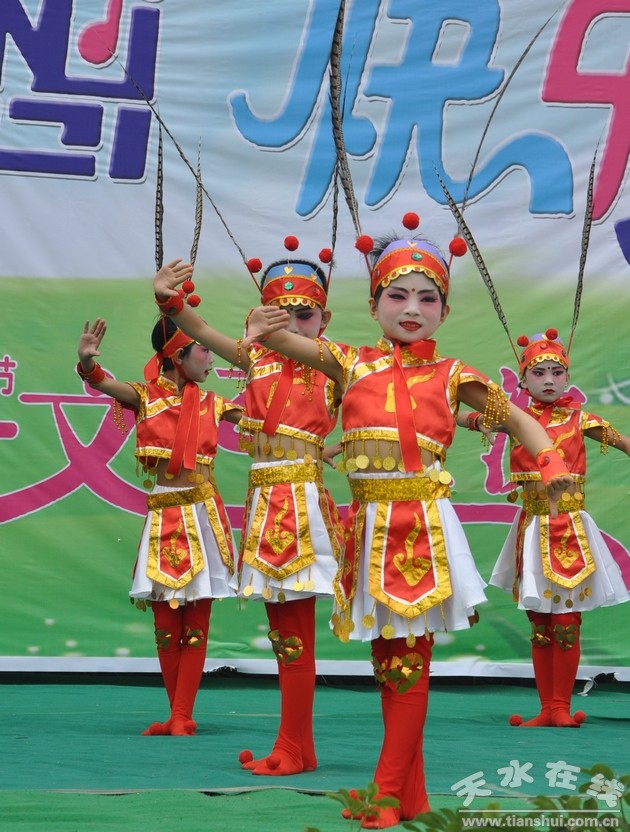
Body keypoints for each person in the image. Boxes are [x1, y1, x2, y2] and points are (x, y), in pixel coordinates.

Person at [241, 231, 574, 828]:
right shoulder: (348, 362)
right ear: (373, 306)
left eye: (427, 298)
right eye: (398, 296)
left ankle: (388, 792)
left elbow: (520, 420)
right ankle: (409, 795)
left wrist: (550, 463)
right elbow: (280, 339)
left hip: (420, 527)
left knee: (410, 662)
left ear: (445, 310)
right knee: (389, 662)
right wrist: (215, 315)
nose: (413, 309)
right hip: (370, 528)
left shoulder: (452, 374)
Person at [153, 248, 345, 776]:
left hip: (299, 503)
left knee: (294, 631)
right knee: (283, 633)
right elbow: (196, 327)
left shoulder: (334, 361)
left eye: (303, 314)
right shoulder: (254, 358)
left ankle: (292, 747)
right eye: (279, 313)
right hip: (265, 503)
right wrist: (168, 298)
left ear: (324, 319)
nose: (291, 324)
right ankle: (297, 747)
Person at [76, 301, 241, 736]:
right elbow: (102, 382)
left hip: (202, 516)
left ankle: (182, 714)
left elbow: (267, 424)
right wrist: (87, 361)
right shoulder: (146, 396)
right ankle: (176, 714)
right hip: (166, 517)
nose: (211, 356)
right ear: (177, 356)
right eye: (203, 348)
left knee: (196, 624)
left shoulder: (214, 403)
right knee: (166, 626)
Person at [488, 329, 630, 728]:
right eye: (539, 373)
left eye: (556, 372)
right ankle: (546, 708)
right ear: (523, 380)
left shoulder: (581, 420)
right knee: (539, 624)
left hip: (569, 528)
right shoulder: (515, 420)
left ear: (567, 377)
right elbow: (469, 418)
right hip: (531, 528)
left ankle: (561, 706)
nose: (548, 380)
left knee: (566, 623)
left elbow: (622, 442)